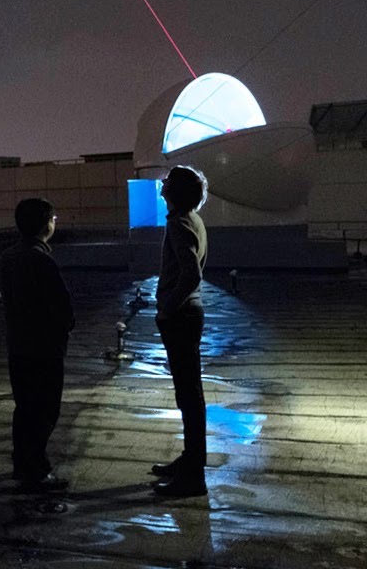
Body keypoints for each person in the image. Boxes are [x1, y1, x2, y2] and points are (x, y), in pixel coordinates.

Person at [0, 198, 75, 491]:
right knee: (45, 410)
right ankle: (37, 469)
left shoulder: (8, 258)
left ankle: (22, 464)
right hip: (45, 348)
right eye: (53, 218)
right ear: (46, 226)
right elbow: (62, 306)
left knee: (24, 408)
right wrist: (65, 327)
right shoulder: (42, 261)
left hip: (18, 345)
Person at [152, 165, 210, 497]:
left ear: (174, 192)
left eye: (167, 182)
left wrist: (167, 307)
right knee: (189, 394)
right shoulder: (192, 220)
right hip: (189, 313)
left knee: (188, 395)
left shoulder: (178, 224)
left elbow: (190, 274)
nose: (162, 185)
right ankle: (190, 461)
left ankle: (193, 476)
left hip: (182, 316)